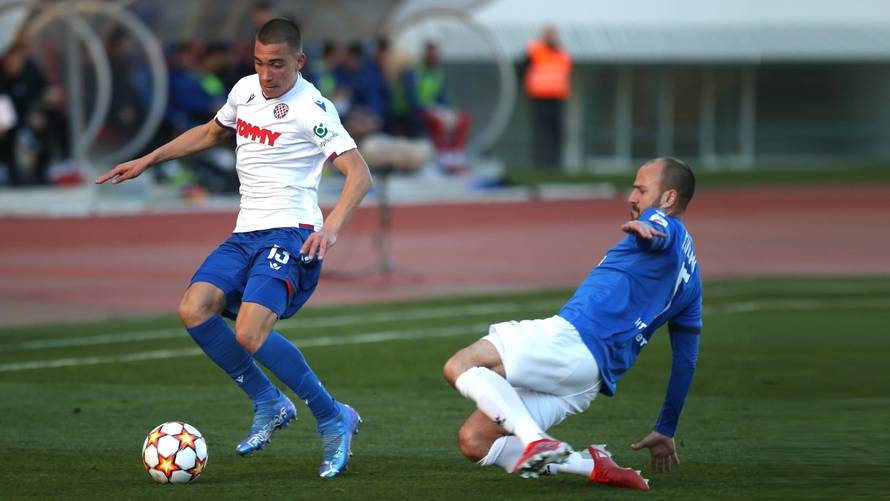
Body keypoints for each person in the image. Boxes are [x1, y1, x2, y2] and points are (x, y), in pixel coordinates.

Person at [96, 18, 373, 479]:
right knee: (194, 307)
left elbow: (359, 174)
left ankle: (332, 417)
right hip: (246, 233)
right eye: (261, 63)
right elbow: (210, 133)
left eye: (278, 65)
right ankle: (269, 401)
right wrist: (148, 159)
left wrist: (332, 228)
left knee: (249, 334)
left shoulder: (313, 109)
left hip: (290, 232)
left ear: (300, 62)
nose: (268, 75)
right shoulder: (244, 91)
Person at [443, 157, 701, 490]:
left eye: (640, 189)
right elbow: (686, 360)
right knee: (476, 440)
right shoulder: (693, 281)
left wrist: (649, 230)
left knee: (460, 365)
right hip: (588, 380)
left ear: (668, 198)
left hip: (572, 342)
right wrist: (666, 428)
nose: (631, 198)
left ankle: (536, 441)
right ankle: (590, 465)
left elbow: (661, 229)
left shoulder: (662, 225)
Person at [522, 25, 572, 169]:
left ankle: (556, 164)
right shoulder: (534, 50)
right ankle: (539, 163)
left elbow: (565, 72)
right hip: (539, 97)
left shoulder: (562, 52)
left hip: (557, 98)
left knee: (556, 132)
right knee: (541, 132)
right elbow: (521, 68)